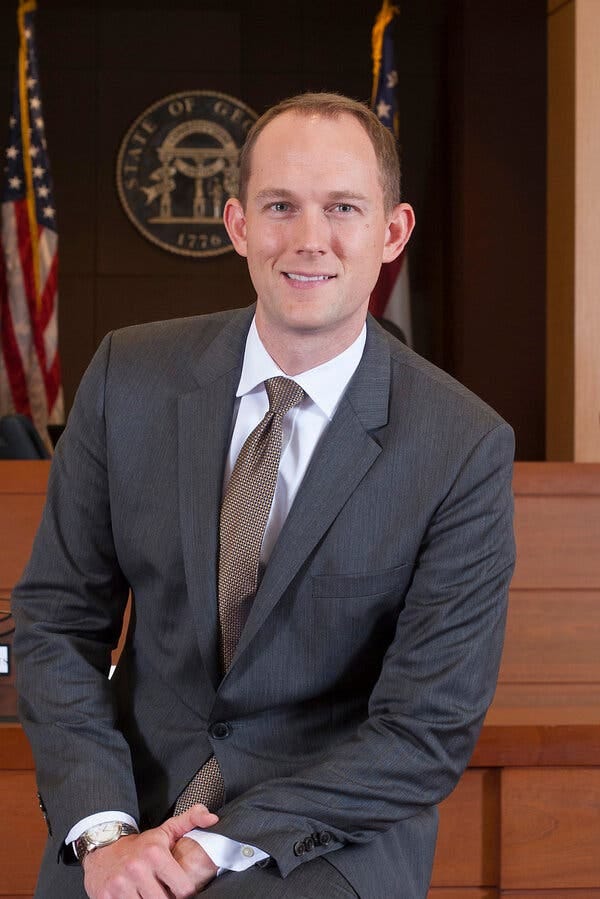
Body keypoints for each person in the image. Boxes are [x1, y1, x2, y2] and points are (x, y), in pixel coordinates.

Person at [12, 92, 515, 899]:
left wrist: (216, 849)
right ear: (239, 224)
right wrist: (104, 830)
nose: (308, 240)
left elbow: (425, 731)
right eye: (281, 206)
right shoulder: (125, 377)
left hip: (321, 840)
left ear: (392, 232)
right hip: (126, 822)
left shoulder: (462, 446)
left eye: (342, 208)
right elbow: (55, 623)